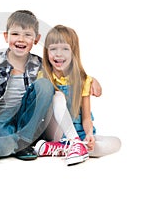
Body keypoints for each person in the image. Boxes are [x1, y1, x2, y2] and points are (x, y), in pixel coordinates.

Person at [0, 10, 102, 161]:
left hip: (27, 120)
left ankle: (25, 141)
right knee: (2, 148)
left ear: (36, 39)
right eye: (15, 34)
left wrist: (90, 79)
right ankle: (15, 144)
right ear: (5, 36)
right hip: (0, 118)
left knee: (45, 85)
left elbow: (65, 72)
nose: (21, 39)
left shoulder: (41, 64)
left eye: (28, 35)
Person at [34, 24, 121, 165]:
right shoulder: (43, 77)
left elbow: (86, 118)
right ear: (47, 51)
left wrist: (89, 135)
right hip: (55, 131)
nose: (58, 54)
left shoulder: (84, 80)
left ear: (73, 52)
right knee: (58, 97)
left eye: (65, 49)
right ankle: (74, 144)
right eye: (53, 49)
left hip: (79, 132)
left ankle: (67, 148)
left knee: (116, 143)